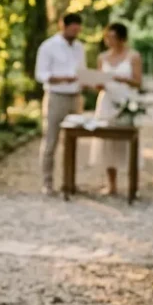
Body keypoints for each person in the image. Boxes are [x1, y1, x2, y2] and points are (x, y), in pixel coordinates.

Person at [35, 13, 87, 195]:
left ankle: (69, 182)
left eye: (77, 30)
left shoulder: (80, 47)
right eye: (72, 29)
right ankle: (47, 183)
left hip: (76, 97)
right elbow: (40, 74)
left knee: (72, 142)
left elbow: (82, 71)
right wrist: (63, 78)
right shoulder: (48, 46)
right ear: (63, 26)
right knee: (51, 140)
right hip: (56, 96)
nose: (75, 33)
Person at [90, 22, 143, 195]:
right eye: (107, 37)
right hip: (106, 102)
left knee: (128, 142)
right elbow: (99, 82)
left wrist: (122, 79)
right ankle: (111, 184)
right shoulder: (102, 57)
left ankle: (133, 185)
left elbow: (138, 82)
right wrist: (97, 84)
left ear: (121, 38)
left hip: (126, 101)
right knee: (107, 143)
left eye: (112, 37)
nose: (109, 41)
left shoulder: (133, 56)